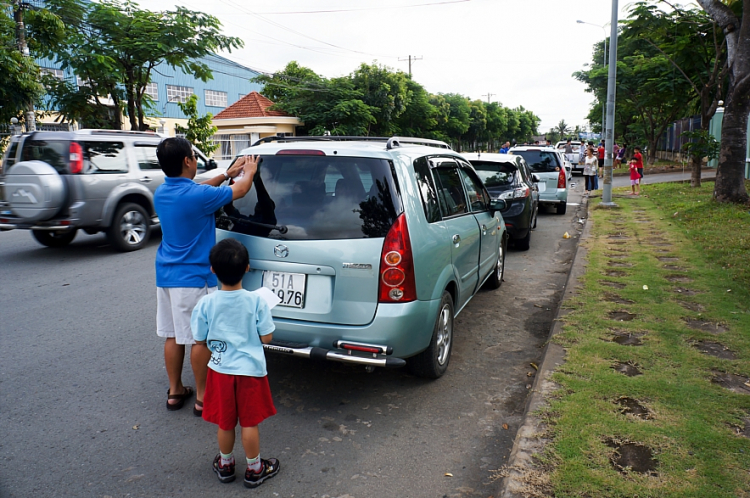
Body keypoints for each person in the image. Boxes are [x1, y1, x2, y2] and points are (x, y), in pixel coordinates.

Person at [155, 137, 257, 416]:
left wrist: (227, 173)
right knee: (199, 340)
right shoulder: (199, 198)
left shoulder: (162, 193)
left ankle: (175, 392)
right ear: (188, 161)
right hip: (194, 279)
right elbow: (243, 189)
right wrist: (248, 170)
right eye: (193, 155)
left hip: (166, 276)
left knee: (173, 336)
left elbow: (200, 189)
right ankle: (202, 396)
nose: (196, 159)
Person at [191, 238, 279, 488]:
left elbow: (199, 339)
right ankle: (254, 468)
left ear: (213, 270)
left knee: (225, 422)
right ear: (248, 268)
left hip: (220, 371)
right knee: (249, 422)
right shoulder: (257, 301)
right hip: (250, 371)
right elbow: (267, 336)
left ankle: (226, 464)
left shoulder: (206, 303)